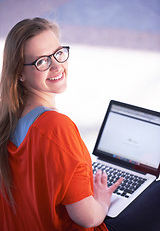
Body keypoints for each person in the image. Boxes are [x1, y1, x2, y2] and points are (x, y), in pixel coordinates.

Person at [0, 17, 159, 231]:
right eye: (42, 61)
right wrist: (101, 199)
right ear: (19, 73)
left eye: (58, 53)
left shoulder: (7, 119)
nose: (57, 66)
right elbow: (89, 218)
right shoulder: (56, 127)